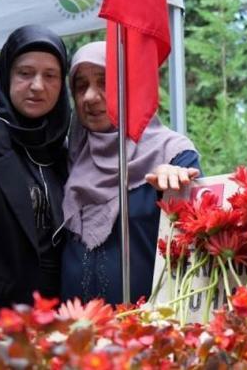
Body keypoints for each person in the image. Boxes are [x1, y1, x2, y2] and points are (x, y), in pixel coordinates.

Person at [60, 41, 201, 304]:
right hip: (75, 331)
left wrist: (172, 186)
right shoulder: (69, 156)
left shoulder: (173, 154)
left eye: (104, 82)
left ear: (130, 87)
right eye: (81, 86)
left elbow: (191, 244)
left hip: (144, 330)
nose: (89, 97)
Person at [0, 25, 70, 319]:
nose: (37, 86)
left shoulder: (61, 144)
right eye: (25, 73)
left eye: (50, 75)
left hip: (57, 314)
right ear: (6, 74)